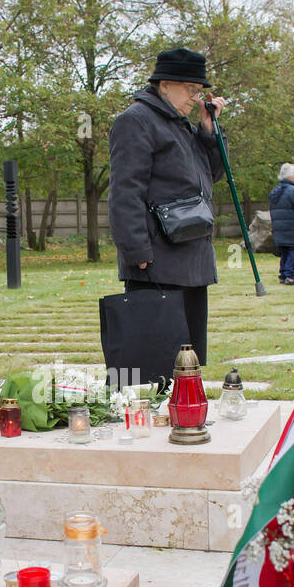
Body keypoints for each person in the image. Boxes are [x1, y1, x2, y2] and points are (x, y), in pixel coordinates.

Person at [108, 48, 228, 366]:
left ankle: (186, 413)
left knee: (189, 361)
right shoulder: (136, 121)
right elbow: (124, 193)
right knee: (154, 361)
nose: (195, 97)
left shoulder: (182, 125)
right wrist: (137, 252)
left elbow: (212, 175)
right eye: (190, 89)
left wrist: (208, 130)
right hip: (156, 263)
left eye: (199, 91)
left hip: (191, 259)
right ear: (164, 85)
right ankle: (154, 415)